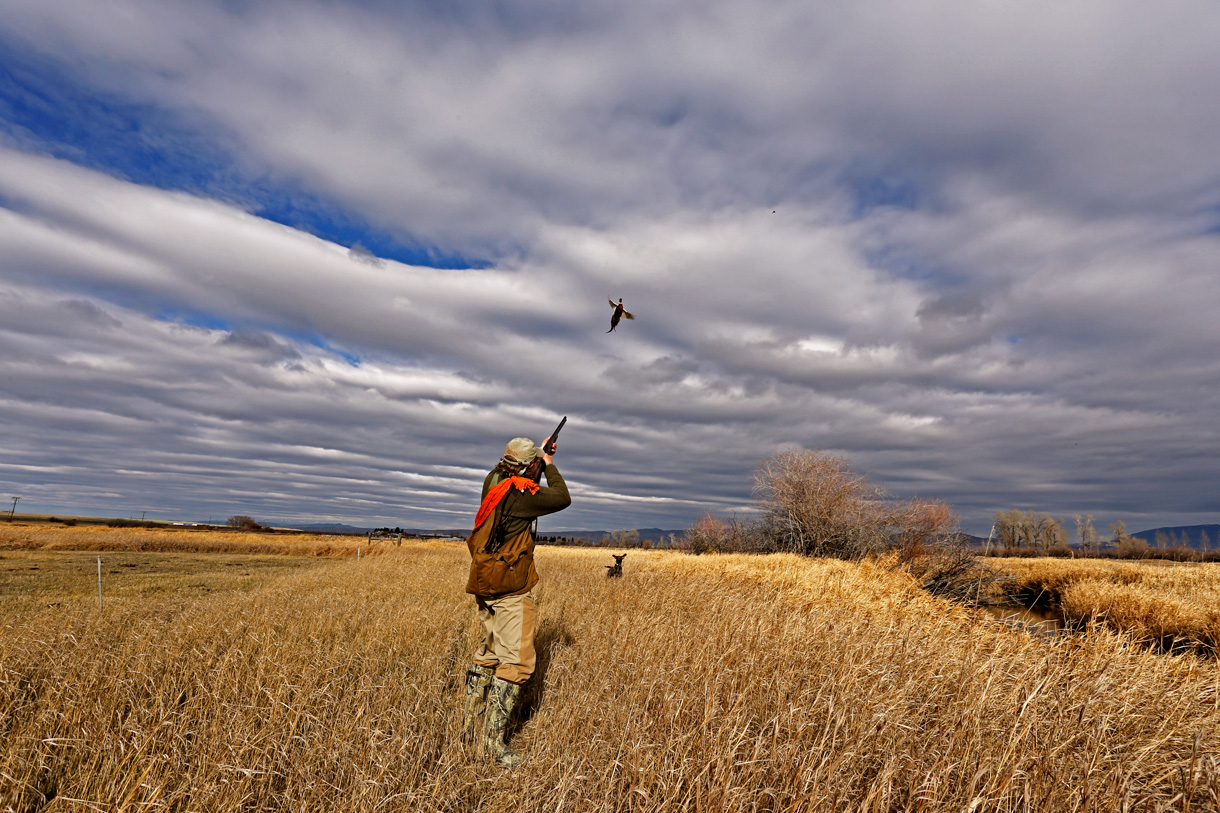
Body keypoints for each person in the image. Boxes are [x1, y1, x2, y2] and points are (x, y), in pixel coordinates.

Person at [462, 435, 571, 767]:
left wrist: (537, 454)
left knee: (489, 654)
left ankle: (469, 731)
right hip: (509, 587)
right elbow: (562, 497)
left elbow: (521, 479)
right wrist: (549, 465)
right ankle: (491, 746)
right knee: (517, 664)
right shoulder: (520, 495)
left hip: (485, 581)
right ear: (528, 467)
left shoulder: (493, 479)